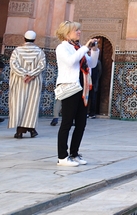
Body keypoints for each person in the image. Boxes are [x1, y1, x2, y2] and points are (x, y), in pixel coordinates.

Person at [55, 21, 99, 166]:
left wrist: (94, 50)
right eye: (76, 30)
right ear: (67, 33)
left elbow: (91, 64)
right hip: (70, 88)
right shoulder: (62, 48)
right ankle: (62, 157)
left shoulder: (78, 47)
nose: (79, 32)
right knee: (67, 123)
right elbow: (70, 61)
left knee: (81, 123)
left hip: (83, 88)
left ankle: (74, 153)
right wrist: (85, 47)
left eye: (79, 30)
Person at [9, 30, 47, 139]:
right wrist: (31, 75)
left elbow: (13, 64)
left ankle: (20, 131)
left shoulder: (17, 51)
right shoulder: (40, 52)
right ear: (34, 39)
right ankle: (31, 129)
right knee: (31, 106)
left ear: (24, 38)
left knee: (19, 104)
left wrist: (24, 75)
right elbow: (42, 66)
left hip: (20, 81)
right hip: (34, 82)